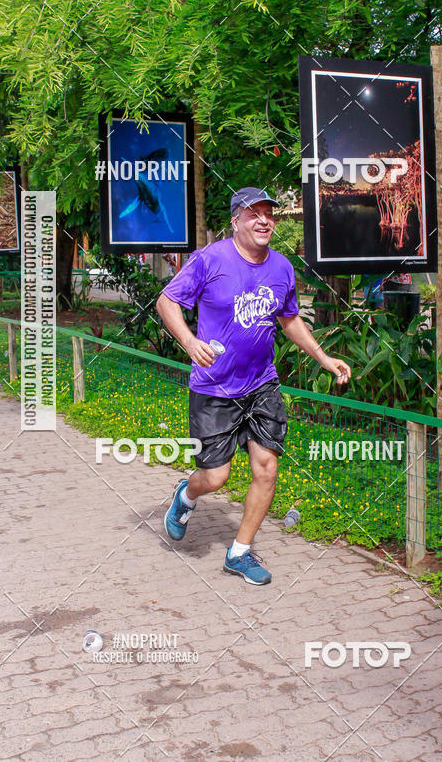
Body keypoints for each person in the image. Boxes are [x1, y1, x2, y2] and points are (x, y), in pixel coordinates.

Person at [156, 186, 351, 586]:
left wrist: (324, 358)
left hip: (262, 384)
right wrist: (190, 342)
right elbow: (166, 301)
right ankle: (186, 496)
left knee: (267, 467)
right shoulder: (210, 260)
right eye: (254, 213)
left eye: (269, 214)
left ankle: (239, 553)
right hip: (214, 389)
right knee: (216, 477)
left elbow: (290, 319)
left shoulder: (281, 267)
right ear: (236, 221)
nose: (264, 220)